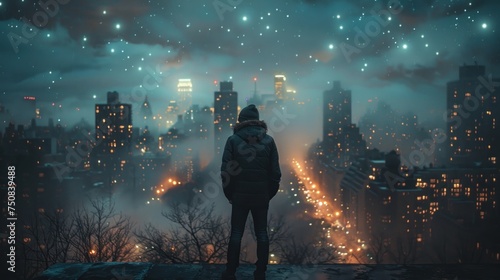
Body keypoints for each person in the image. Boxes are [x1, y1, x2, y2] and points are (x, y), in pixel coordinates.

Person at [220, 104, 281, 280]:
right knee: (262, 233)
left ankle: (231, 271)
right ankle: (260, 272)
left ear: (241, 122)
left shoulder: (233, 140)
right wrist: (268, 194)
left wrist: (230, 194)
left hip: (239, 195)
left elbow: (226, 173)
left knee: (236, 233)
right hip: (261, 196)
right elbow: (275, 173)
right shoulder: (269, 141)